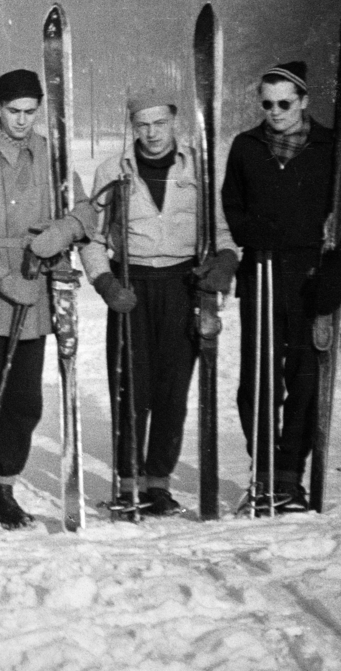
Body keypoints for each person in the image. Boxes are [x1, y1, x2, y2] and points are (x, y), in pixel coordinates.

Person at [221, 61, 341, 510]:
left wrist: (340, 264)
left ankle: (291, 478)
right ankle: (265, 475)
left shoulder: (333, 147)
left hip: (312, 278)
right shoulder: (246, 146)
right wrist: (251, 234)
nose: (275, 112)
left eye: (285, 103)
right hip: (262, 274)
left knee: (305, 379)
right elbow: (232, 206)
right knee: (258, 381)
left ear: (304, 101)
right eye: (267, 103)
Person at [0, 69, 94, 530]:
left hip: (37, 298)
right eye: (14, 112)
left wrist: (61, 232)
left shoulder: (53, 156)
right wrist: (4, 281)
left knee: (24, 400)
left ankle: (5, 489)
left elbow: (86, 208)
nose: (23, 121)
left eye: (31, 112)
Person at [79, 91, 239, 516]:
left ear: (174, 123)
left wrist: (225, 262)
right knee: (131, 389)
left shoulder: (197, 170)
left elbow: (221, 231)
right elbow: (92, 237)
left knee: (173, 390)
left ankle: (158, 484)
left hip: (182, 285)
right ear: (133, 127)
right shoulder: (112, 171)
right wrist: (105, 283)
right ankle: (128, 483)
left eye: (159, 124)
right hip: (132, 286)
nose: (151, 134)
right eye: (142, 125)